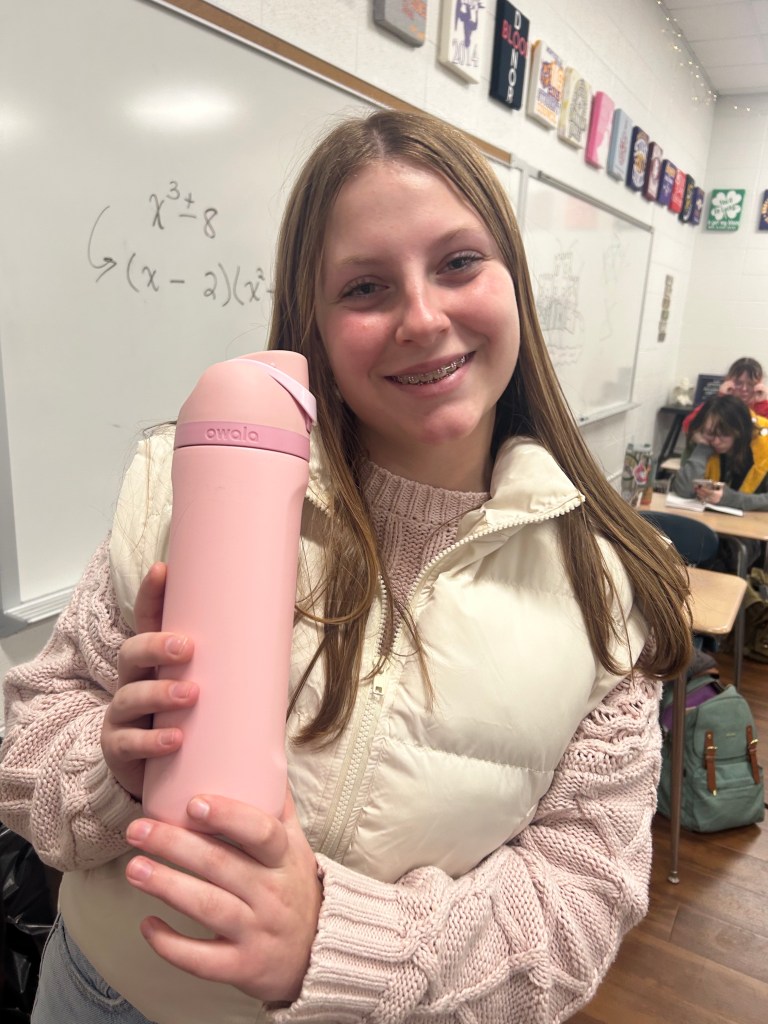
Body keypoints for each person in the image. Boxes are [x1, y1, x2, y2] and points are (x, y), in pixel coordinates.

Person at [0, 110, 691, 1024]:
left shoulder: (611, 590)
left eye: (458, 263)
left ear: (514, 282)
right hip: (101, 995)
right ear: (314, 325)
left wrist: (331, 940)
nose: (423, 317)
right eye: (366, 287)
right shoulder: (188, 487)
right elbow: (28, 742)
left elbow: (578, 908)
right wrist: (110, 768)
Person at [673, 395, 768, 512]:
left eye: (725, 434)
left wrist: (730, 499)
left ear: (740, 432)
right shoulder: (703, 440)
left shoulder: (763, 446)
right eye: (710, 433)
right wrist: (702, 447)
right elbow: (684, 490)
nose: (716, 441)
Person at [681, 356, 768, 434]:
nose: (744, 389)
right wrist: (721, 398)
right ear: (728, 381)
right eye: (738, 383)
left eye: (751, 384)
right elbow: (689, 426)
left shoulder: (765, 407)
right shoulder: (720, 401)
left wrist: (761, 404)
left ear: (760, 384)